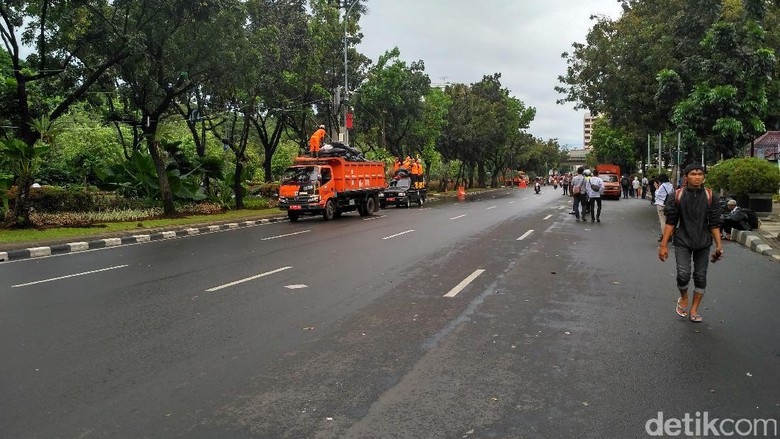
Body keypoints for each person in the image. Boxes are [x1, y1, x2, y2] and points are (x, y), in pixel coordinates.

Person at [658, 164, 723, 323]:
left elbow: (714, 223)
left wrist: (719, 245)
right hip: (682, 241)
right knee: (683, 274)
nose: (697, 177)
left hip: (703, 242)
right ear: (686, 177)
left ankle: (694, 309)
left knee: (700, 277)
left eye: (700, 174)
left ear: (704, 177)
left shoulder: (710, 196)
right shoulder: (676, 196)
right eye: (693, 174)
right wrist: (664, 245)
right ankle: (684, 297)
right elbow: (671, 222)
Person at [653, 174, 674, 242]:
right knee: (668, 220)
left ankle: (665, 235)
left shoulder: (662, 186)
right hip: (668, 204)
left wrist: (656, 188)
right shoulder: (671, 185)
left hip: (660, 204)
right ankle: (670, 234)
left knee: (662, 220)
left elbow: (657, 194)